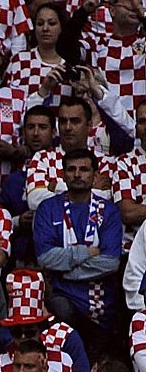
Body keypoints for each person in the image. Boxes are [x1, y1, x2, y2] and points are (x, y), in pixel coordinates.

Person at [34, 150, 123, 354]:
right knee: (61, 309)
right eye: (71, 169)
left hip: (101, 306)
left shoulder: (107, 210)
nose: (77, 174)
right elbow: (45, 258)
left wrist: (65, 270)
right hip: (62, 301)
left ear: (94, 174)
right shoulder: (48, 208)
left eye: (83, 169)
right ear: (63, 174)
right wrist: (86, 253)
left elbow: (110, 263)